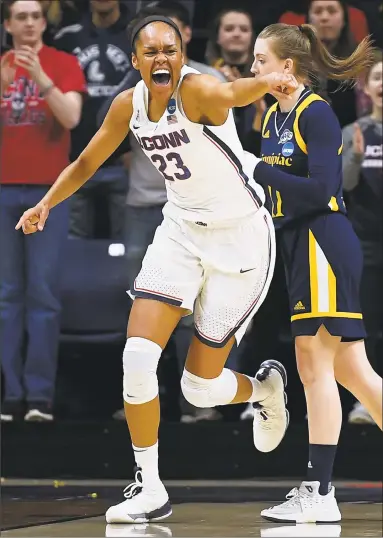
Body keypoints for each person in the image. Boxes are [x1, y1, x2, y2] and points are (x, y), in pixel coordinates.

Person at [16, 14, 297, 523]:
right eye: (151, 52)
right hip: (180, 234)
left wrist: (269, 82)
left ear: (182, 54)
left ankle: (264, 389)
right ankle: (149, 486)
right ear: (136, 62)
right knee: (138, 359)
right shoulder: (129, 105)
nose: (162, 58)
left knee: (198, 388)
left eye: (170, 49)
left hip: (240, 240)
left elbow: (233, 92)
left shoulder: (198, 92)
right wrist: (47, 204)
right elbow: (86, 162)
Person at [243, 22, 382, 523]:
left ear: (288, 66)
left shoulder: (315, 113)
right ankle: (318, 491)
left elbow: (321, 187)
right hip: (296, 243)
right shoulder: (270, 119)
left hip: (322, 239)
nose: (253, 69)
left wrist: (255, 169)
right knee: (355, 374)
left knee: (312, 365)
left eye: (261, 60)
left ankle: (320, 492)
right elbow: (274, 191)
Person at [0, 0, 86, 422]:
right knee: (6, 297)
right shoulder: (0, 66)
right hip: (2, 189)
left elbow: (71, 118)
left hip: (49, 193)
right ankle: (10, 395)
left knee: (43, 296)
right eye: (22, 17)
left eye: (36, 16)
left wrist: (39, 78)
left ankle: (39, 397)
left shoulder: (63, 62)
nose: (30, 23)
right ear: (8, 25)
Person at [342, 50, 382, 425]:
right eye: (377, 77)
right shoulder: (354, 131)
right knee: (367, 322)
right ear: (367, 87)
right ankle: (365, 401)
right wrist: (353, 157)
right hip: (366, 242)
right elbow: (343, 185)